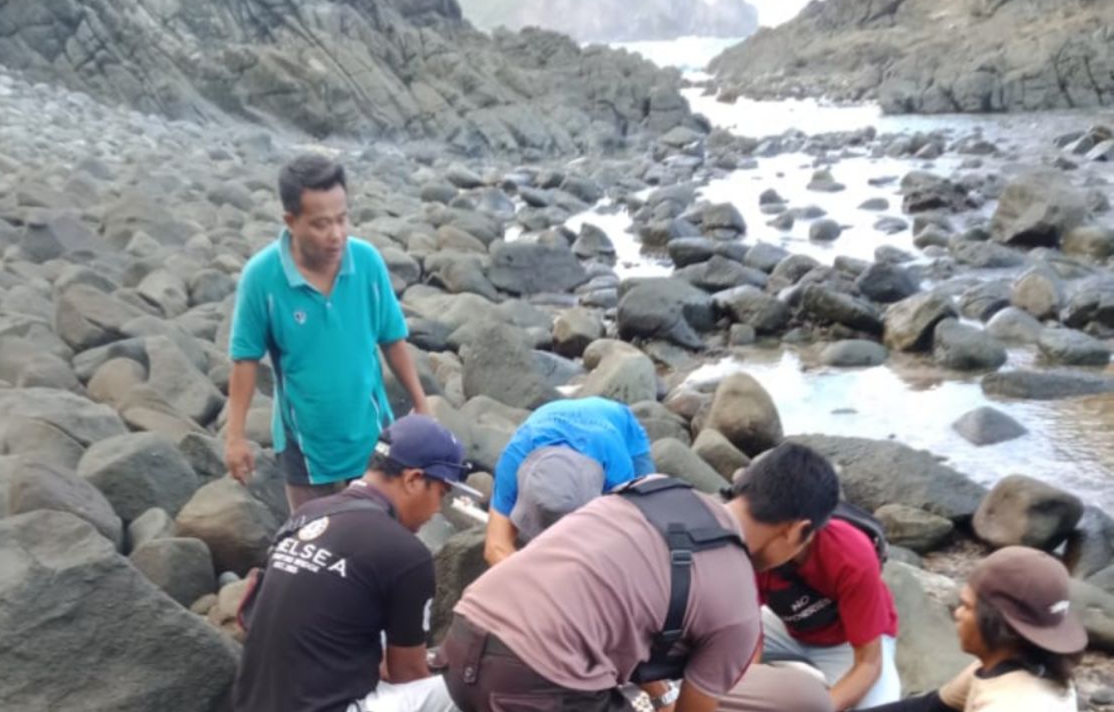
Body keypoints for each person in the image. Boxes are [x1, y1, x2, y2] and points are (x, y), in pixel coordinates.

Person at [442, 442, 842, 712]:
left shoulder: (653, 488)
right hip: (533, 682)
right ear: (796, 530)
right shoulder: (738, 605)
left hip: (461, 641)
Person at [224, 155, 429, 511]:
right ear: (291, 221)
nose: (336, 235)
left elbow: (392, 340)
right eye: (320, 224)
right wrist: (235, 436)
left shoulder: (366, 262)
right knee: (313, 538)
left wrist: (422, 403)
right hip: (304, 445)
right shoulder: (262, 277)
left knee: (376, 537)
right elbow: (244, 359)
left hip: (372, 433)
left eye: (342, 219)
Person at [233, 415, 470, 712]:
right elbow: (406, 675)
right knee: (461, 690)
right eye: (441, 494)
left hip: (253, 703)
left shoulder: (307, 513)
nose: (437, 510)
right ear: (413, 480)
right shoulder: (406, 553)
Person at [868, 546, 1086, 712]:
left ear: (998, 624)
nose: (957, 614)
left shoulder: (1011, 703)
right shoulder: (1020, 666)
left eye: (967, 606)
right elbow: (931, 706)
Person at [748, 491, 901, 709]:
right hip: (784, 625)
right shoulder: (754, 544)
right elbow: (748, 640)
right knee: (708, 637)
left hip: (852, 639)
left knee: (881, 705)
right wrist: (741, 694)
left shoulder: (851, 555)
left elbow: (868, 663)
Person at [484, 396, 654, 565]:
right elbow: (495, 546)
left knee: (644, 528)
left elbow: (623, 538)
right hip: (547, 420)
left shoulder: (616, 470)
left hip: (618, 425)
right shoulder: (514, 461)